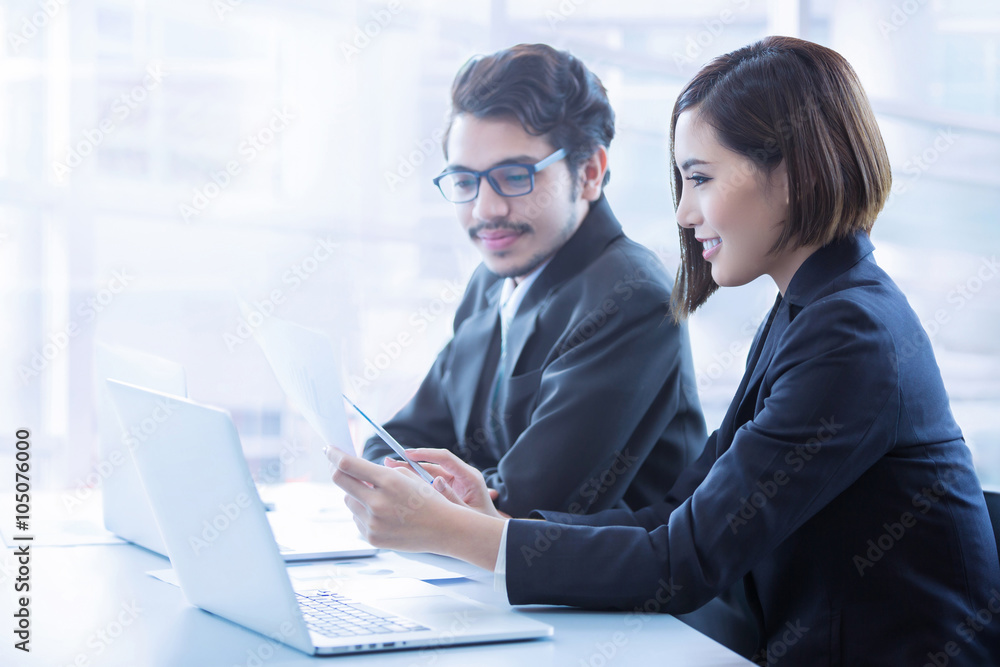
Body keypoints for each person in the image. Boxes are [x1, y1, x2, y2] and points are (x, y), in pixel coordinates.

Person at [331, 36, 1000, 664]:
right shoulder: (811, 310)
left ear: (792, 175)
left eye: (701, 178)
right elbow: (678, 512)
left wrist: (459, 532)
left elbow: (683, 562)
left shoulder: (850, 333)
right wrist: (490, 518)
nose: (683, 212)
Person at [362, 43, 706, 518]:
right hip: (478, 562)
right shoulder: (490, 282)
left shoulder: (632, 296)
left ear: (589, 173)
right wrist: (401, 477)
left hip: (591, 568)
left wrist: (420, 488)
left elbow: (527, 505)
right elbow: (397, 442)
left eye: (514, 176)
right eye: (464, 181)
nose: (486, 210)